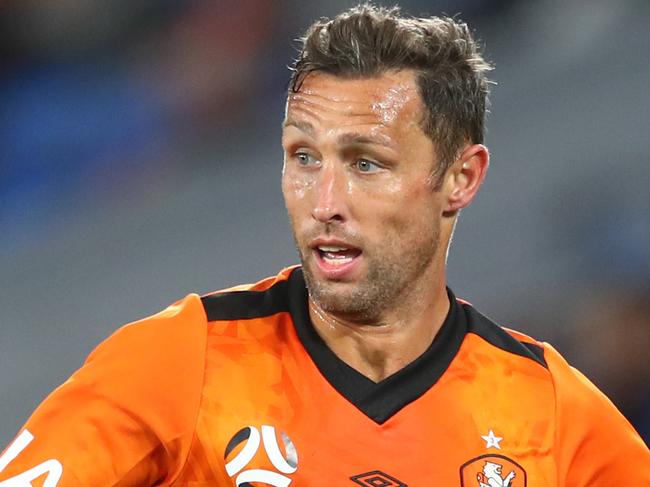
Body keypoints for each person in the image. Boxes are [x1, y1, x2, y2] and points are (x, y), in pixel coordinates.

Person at [1, 4, 648, 486]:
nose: (327, 200)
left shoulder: (553, 409)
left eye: (369, 163)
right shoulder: (180, 362)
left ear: (460, 178)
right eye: (305, 159)